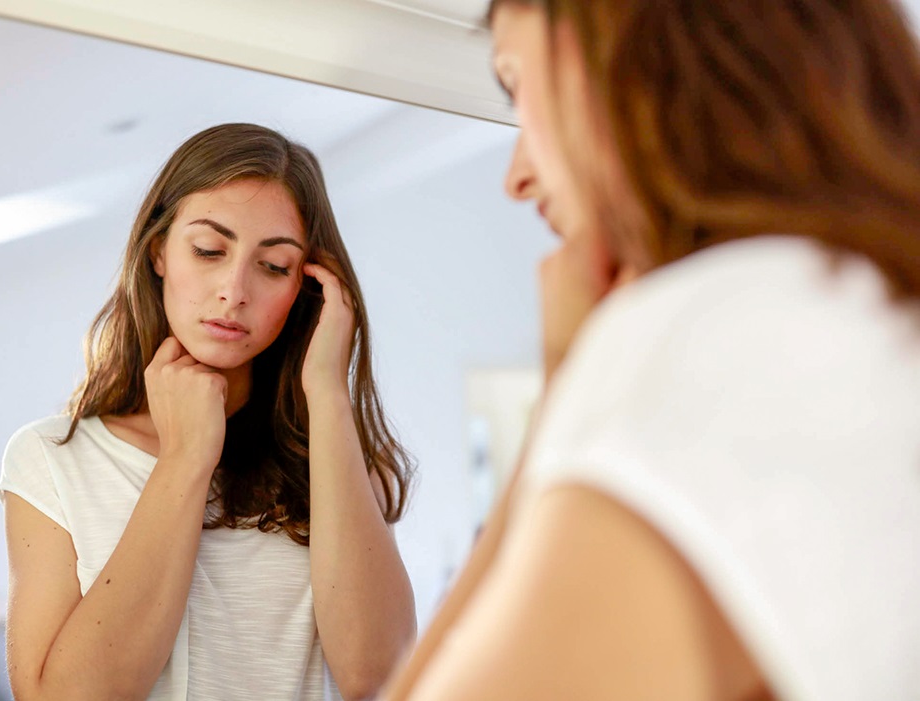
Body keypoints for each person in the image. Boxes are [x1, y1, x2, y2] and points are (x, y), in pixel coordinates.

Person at [383, 1, 920, 699]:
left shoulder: (704, 335)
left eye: (515, 84)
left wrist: (567, 389)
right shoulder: (869, 315)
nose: (514, 176)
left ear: (625, 52)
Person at [0, 123, 417, 701]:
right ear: (159, 253)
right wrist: (187, 456)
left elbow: (380, 678)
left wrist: (326, 390)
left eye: (273, 266)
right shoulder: (51, 460)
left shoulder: (332, 456)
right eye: (209, 251)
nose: (234, 290)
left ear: (308, 287)